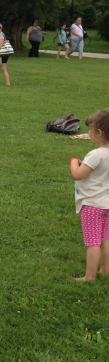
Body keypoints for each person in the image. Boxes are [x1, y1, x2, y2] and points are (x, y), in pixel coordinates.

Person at [69, 109, 109, 281]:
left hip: (92, 205)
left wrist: (73, 162)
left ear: (99, 132)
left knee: (93, 242)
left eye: (90, 130)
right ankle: (105, 270)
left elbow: (78, 174)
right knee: (105, 238)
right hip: (107, 203)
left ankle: (89, 277)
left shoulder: (96, 155)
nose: (88, 134)